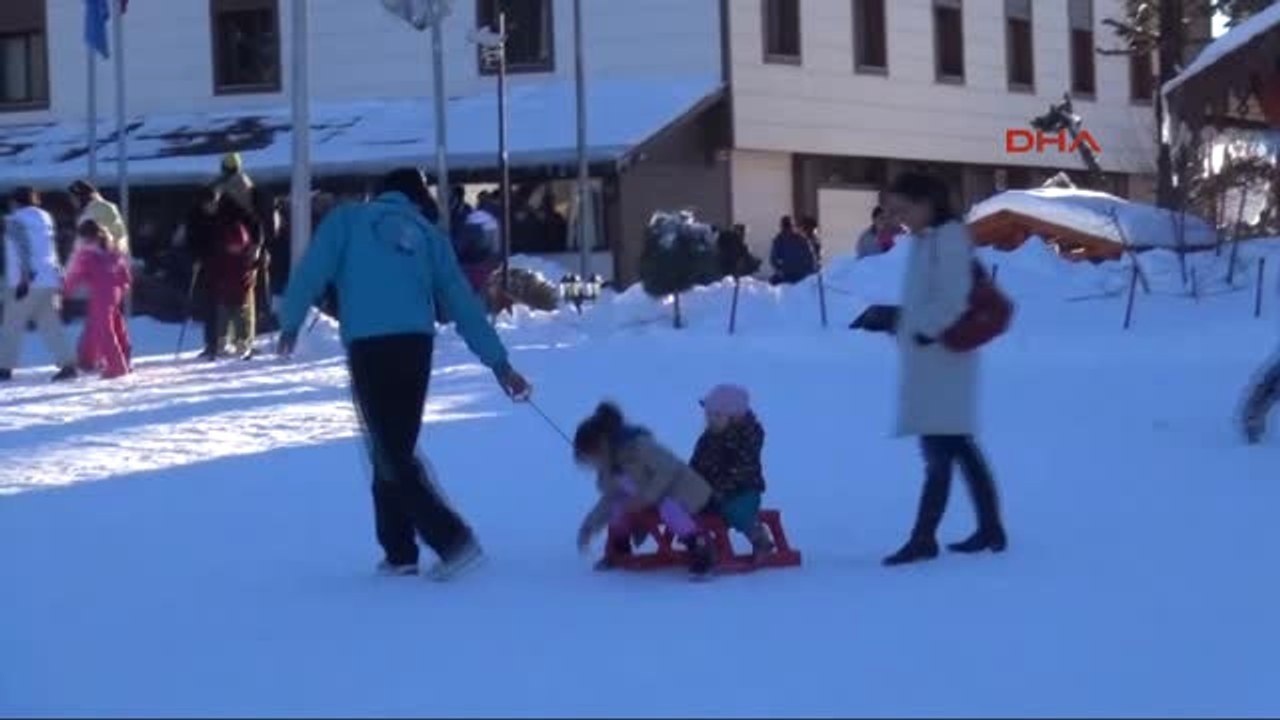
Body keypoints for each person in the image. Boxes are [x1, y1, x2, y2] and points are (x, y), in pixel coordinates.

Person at [277, 167, 531, 581]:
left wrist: (290, 322)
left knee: (390, 449)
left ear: (381, 193)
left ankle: (452, 541)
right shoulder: (428, 236)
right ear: (416, 198)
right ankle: (399, 552)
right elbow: (463, 304)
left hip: (369, 345)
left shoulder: (347, 221)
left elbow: (310, 272)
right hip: (415, 346)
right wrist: (499, 364)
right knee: (393, 445)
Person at [880, 172, 1007, 567]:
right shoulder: (928, 240)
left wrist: (922, 330)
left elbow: (953, 298)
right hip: (932, 360)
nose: (900, 218)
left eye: (904, 209)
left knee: (941, 452)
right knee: (953, 447)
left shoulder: (948, 239)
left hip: (942, 358)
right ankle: (988, 529)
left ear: (927, 203)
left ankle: (925, 537)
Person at [573, 402, 717, 576]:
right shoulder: (609, 466)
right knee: (618, 507)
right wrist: (590, 526)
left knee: (670, 508)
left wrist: (645, 498)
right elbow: (609, 500)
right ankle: (619, 548)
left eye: (591, 460)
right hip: (651, 501)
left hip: (686, 493)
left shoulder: (640, 447)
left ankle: (701, 548)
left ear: (602, 447)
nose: (593, 466)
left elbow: (669, 470)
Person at [0, 187, 77, 383]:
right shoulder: (46, 219)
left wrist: (25, 277)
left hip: (25, 282)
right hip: (48, 279)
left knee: (12, 325)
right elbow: (50, 248)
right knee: (51, 325)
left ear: (16, 202)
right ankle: (68, 363)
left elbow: (23, 248)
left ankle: (4, 367)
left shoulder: (15, 220)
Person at [689, 384, 774, 560]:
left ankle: (759, 539)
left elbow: (743, 469)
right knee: (688, 505)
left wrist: (720, 489)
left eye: (718, 415)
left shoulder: (747, 438)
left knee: (736, 511)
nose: (711, 419)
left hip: (743, 492)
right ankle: (700, 542)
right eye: (708, 414)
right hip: (711, 491)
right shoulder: (708, 438)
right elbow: (696, 464)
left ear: (735, 418)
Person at [68, 180, 131, 368]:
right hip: (113, 271)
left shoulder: (95, 212)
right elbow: (120, 239)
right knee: (109, 318)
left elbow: (86, 243)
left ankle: (100, 360)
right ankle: (93, 357)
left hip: (100, 272)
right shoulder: (107, 208)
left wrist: (74, 275)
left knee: (102, 321)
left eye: (73, 197)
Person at [173, 188, 226, 360]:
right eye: (209, 204)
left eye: (214, 203)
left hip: (221, 265)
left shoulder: (224, 215)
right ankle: (211, 344)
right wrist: (194, 258)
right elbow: (190, 241)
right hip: (203, 265)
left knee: (222, 304)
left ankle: (221, 342)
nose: (211, 207)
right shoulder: (194, 217)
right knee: (209, 305)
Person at [209, 196, 260, 359]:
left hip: (236, 286)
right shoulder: (235, 231)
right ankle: (227, 341)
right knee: (229, 316)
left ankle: (238, 342)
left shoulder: (226, 230)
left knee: (236, 316)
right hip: (230, 286)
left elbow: (247, 267)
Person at [68, 180, 129, 256]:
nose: (73, 202)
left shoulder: (92, 212)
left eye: (74, 198)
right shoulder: (107, 208)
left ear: (81, 196)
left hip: (98, 258)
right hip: (110, 258)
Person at [769, 215, 818, 284]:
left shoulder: (779, 239)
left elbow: (773, 260)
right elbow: (811, 257)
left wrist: (780, 269)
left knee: (771, 284)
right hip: (803, 276)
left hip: (787, 276)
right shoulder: (802, 238)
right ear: (793, 226)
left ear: (781, 226)